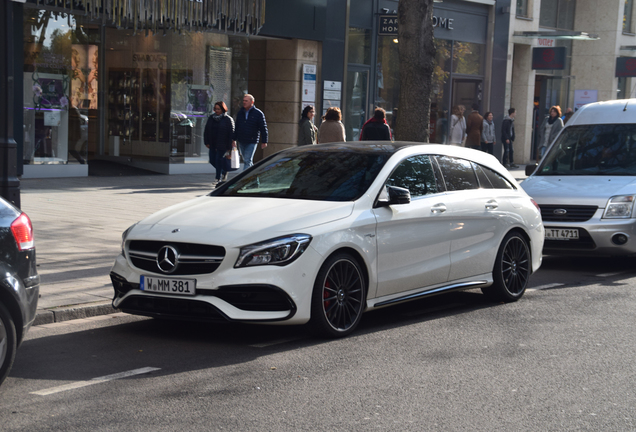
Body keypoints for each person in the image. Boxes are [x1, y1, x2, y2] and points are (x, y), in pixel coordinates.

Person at [233, 94, 268, 171]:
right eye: (243, 101)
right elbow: (237, 126)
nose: (244, 102)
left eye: (246, 101)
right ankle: (254, 179)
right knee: (248, 161)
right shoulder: (240, 113)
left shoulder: (258, 113)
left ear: (252, 102)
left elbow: (263, 128)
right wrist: (234, 139)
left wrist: (264, 141)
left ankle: (243, 180)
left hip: (252, 140)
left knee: (247, 161)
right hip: (242, 140)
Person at [204, 101, 235, 183]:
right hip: (213, 143)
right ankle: (223, 171)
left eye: (218, 109)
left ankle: (218, 178)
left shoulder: (228, 119)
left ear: (223, 109)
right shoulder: (211, 118)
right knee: (212, 160)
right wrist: (206, 142)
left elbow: (231, 133)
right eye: (215, 109)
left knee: (218, 160)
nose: (217, 111)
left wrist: (229, 147)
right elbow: (206, 130)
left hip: (223, 144)